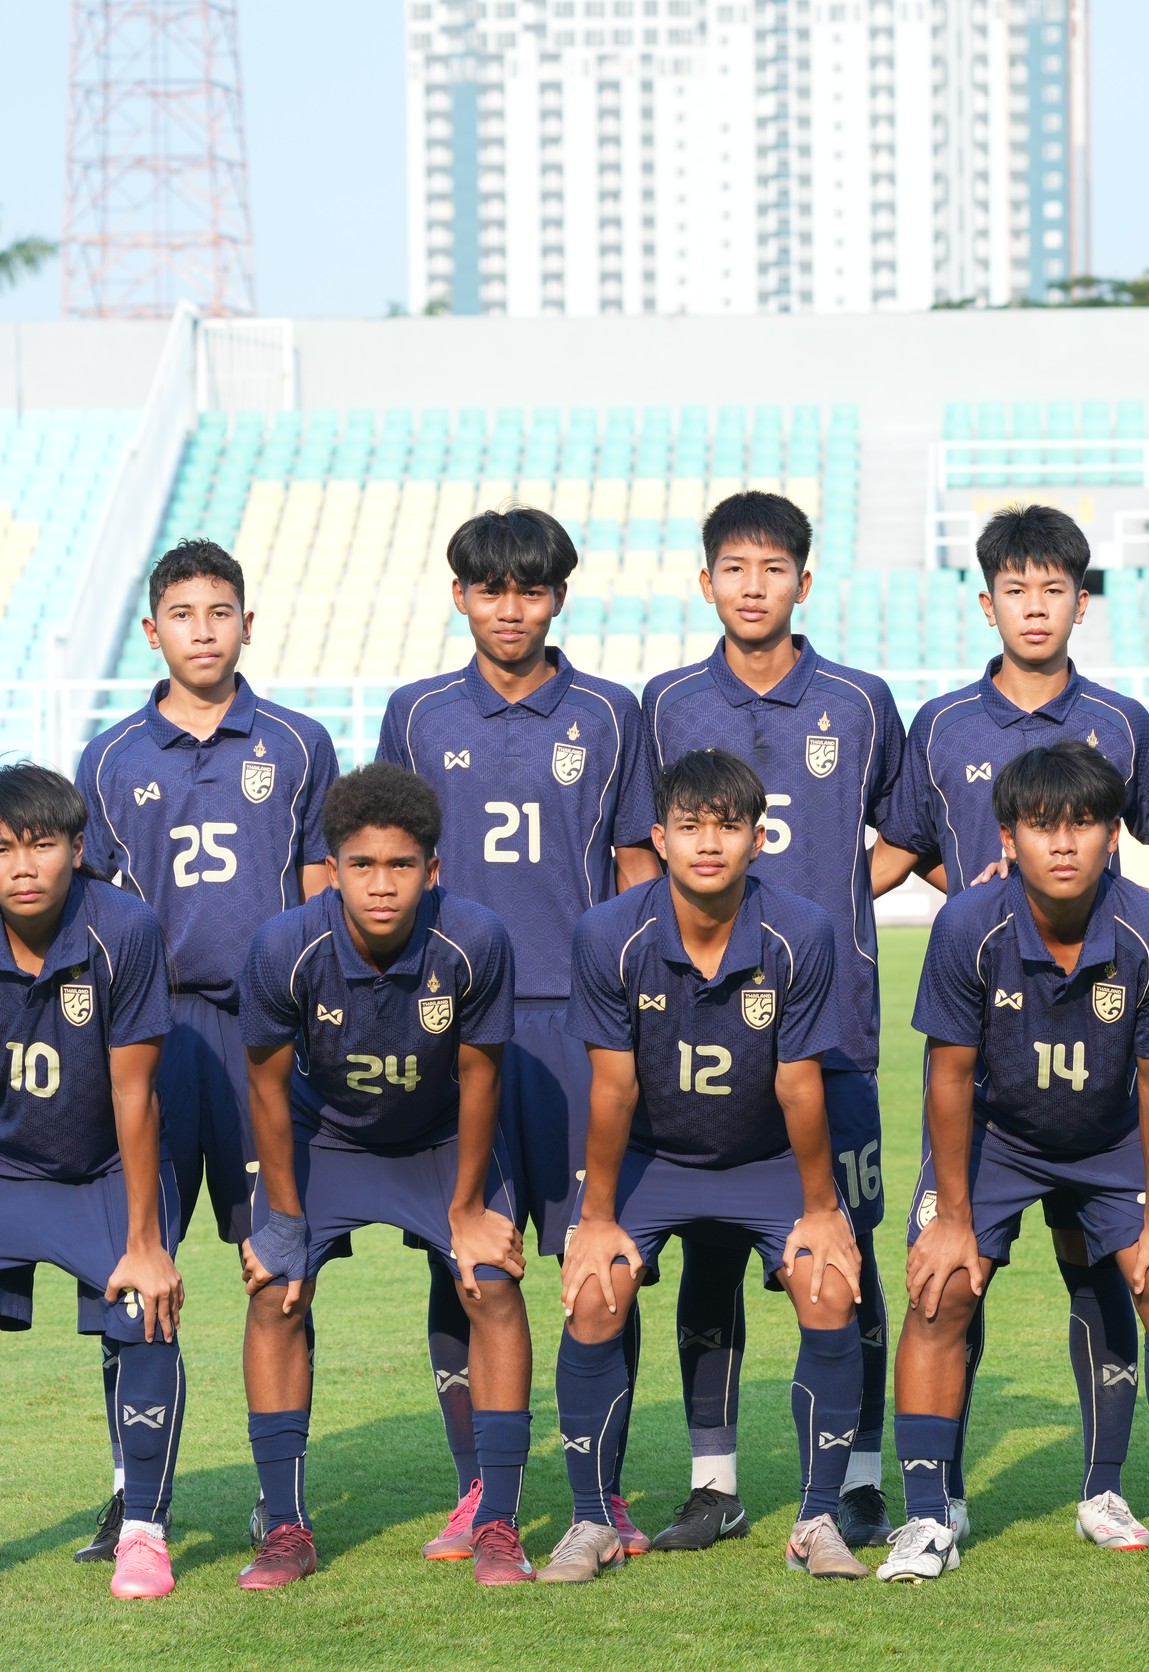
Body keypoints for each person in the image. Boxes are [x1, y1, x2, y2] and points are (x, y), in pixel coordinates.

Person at [879, 505, 1149, 1542]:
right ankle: (940, 1500)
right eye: (1017, 589)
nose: (1036, 606)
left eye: (1055, 588)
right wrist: (976, 911)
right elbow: (903, 851)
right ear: (988, 603)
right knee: (951, 1271)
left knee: (1100, 1266)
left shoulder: (1123, 723)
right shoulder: (941, 725)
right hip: (991, 1036)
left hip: (1102, 1036)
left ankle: (1104, 1487)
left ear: (1081, 602)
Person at [620, 492, 914, 1551]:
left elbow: (907, 835)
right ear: (706, 583)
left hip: (832, 1029)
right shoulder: (663, 702)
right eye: (735, 569)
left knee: (845, 1250)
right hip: (698, 1032)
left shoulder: (862, 700)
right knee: (708, 1251)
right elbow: (637, 850)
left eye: (774, 568)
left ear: (805, 579)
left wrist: (824, 911)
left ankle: (861, 1479)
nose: (754, 587)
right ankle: (716, 1482)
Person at [375, 506, 651, 1558]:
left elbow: (637, 872)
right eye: (489, 589)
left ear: (558, 598)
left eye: (530, 589)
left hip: (581, 1026)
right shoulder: (414, 714)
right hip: (457, 1029)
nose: (510, 608)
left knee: (598, 1262)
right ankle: (481, 1492)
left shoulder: (613, 713)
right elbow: (387, 866)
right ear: (460, 596)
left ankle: (600, 1493)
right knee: (467, 1261)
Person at [884, 742, 1149, 1583]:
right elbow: (949, 1076)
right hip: (998, 1138)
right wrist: (952, 1220)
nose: (1064, 843)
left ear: (1115, 834)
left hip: (1112, 1137)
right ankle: (927, 1517)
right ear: (1008, 837)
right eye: (1042, 826)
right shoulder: (968, 925)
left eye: (1084, 824)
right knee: (941, 1289)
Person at [549, 749, 869, 1583]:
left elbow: (799, 1084)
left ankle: (818, 1519)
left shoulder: (801, 931)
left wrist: (821, 1210)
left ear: (759, 839)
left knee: (828, 1284)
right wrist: (597, 1220)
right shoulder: (607, 933)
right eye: (689, 826)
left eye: (728, 826)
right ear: (659, 838)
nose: (708, 843)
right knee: (595, 1290)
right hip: (654, 1159)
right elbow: (613, 1089)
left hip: (765, 1157)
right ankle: (590, 1522)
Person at [76, 537, 337, 1558]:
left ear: (247, 625)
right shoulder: (109, 759)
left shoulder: (300, 744)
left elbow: (322, 896)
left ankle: (281, 1501)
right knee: (132, 1263)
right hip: (148, 1036)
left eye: (220, 612)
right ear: (153, 631)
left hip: (266, 1040)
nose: (202, 630)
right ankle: (132, 1495)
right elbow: (90, 916)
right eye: (182, 614)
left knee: (277, 1269)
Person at [231, 764, 533, 1589]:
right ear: (332, 870)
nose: (382, 884)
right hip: (325, 1138)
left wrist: (467, 1208)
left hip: (440, 1138)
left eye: (401, 865)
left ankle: (499, 1522)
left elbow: (481, 1078)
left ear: (433, 870)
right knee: (276, 1289)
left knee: (491, 1283)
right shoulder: (282, 946)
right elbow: (266, 1089)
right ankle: (285, 1526)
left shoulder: (475, 939)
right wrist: (283, 1219)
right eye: (362, 865)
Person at [0, 764, 183, 1602]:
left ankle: (143, 1536)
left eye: (42, 845)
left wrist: (145, 1243)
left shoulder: (125, 928)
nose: (23, 866)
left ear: (77, 848)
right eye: (0, 849)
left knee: (145, 1313)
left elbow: (135, 1093)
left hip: (107, 1167)